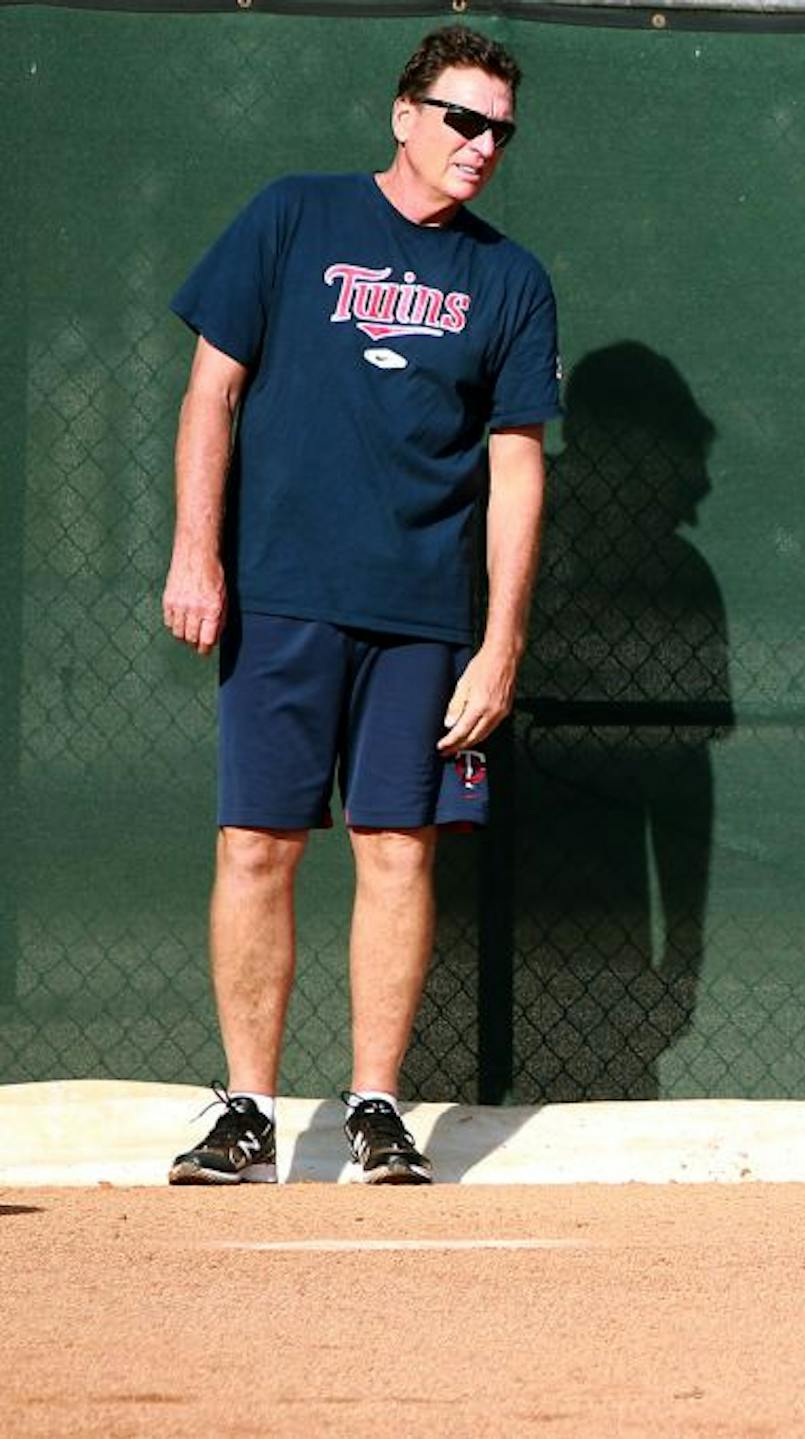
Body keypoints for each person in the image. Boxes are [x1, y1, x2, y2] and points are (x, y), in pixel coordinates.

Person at [159, 24, 559, 1184]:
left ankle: (377, 1107)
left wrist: (500, 642)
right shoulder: (293, 217)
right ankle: (247, 1110)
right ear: (404, 114)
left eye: (501, 130)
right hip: (282, 597)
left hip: (424, 618)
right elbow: (210, 394)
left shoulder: (510, 279)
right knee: (257, 846)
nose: (482, 145)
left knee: (398, 849)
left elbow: (517, 468)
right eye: (462, 120)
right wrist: (198, 554)